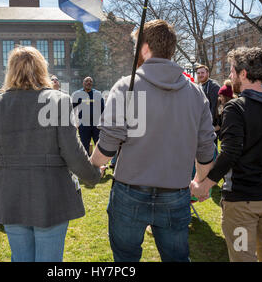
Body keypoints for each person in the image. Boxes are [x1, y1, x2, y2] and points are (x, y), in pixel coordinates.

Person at [90, 19, 216, 262]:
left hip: (130, 192)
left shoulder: (127, 86)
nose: (133, 51)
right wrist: (200, 181)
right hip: (174, 192)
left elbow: (107, 145)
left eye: (135, 46)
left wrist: (92, 166)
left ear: (145, 47)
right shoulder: (195, 93)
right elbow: (206, 149)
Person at [0, 46, 102, 262]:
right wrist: (93, 175)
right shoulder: (58, 100)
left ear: (10, 71)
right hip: (51, 193)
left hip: (12, 193)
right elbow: (72, 152)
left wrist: (6, 172)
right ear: (42, 69)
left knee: (21, 258)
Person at [191, 47, 262, 262]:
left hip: (242, 202)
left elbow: (230, 152)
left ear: (243, 74)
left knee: (243, 256)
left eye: (232, 71)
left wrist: (204, 186)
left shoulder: (236, 108)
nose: (230, 76)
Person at [72, 77, 105, 155]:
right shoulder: (78, 94)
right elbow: (71, 107)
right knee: (84, 145)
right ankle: (85, 163)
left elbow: (103, 109)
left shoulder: (97, 94)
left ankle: (99, 163)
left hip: (96, 124)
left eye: (90, 81)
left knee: (99, 144)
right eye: (86, 81)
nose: (89, 82)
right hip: (83, 124)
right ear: (83, 83)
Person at [196, 64, 221, 133]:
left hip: (211, 126)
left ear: (207, 73)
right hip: (202, 124)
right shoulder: (199, 86)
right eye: (198, 73)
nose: (200, 75)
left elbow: (215, 106)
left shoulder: (213, 86)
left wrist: (212, 125)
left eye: (202, 73)